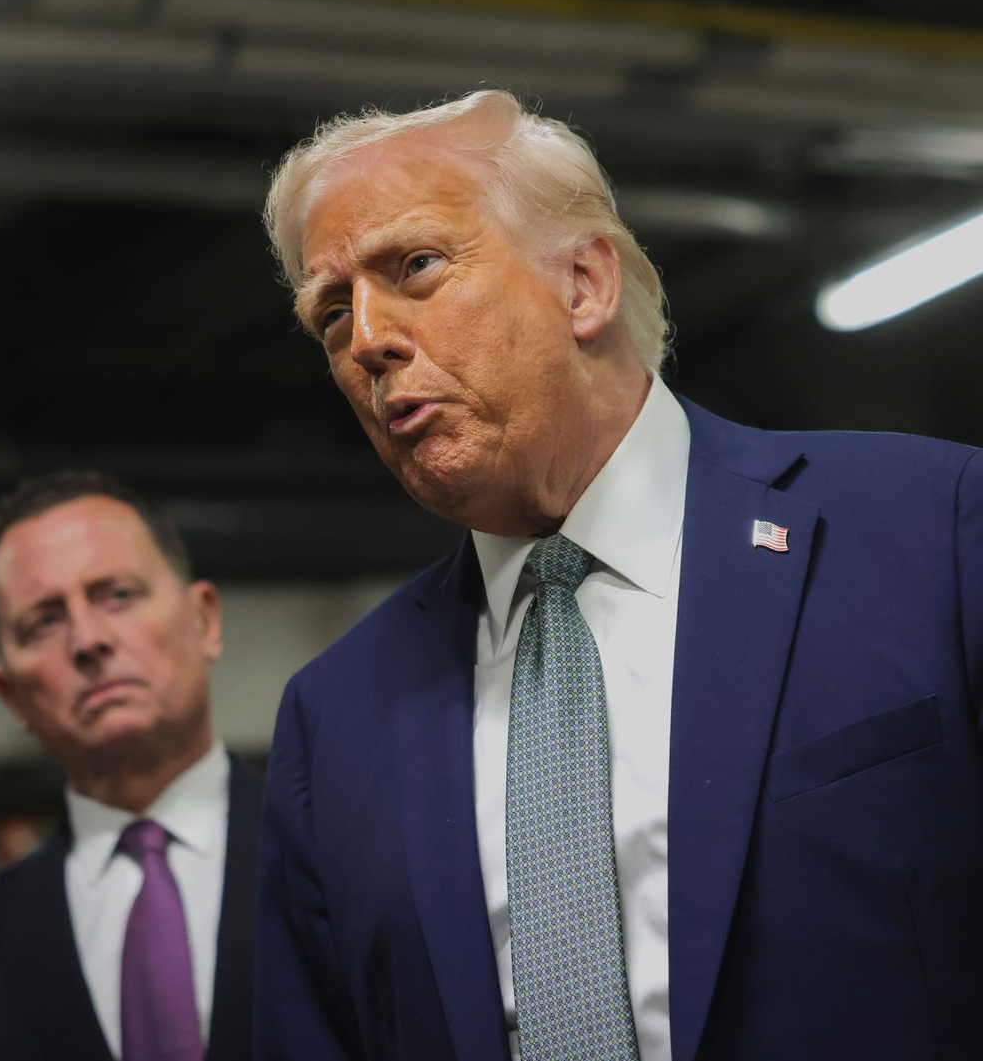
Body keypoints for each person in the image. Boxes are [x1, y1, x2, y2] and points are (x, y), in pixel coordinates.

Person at [254, 90, 983, 1061]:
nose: (370, 340)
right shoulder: (334, 719)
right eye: (332, 313)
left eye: (416, 265)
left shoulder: (930, 532)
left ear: (584, 284)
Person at [0, 471, 262, 1061]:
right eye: (44, 621)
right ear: (12, 696)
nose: (87, 640)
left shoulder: (341, 853)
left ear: (204, 620)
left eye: (117, 594)